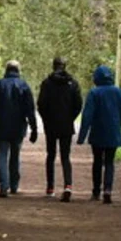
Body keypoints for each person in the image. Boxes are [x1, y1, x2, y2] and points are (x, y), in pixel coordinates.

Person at [0, 59, 37, 197]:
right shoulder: (23, 86)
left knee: (2, 155)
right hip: (18, 127)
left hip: (1, 125)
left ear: (6, 70)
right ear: (18, 70)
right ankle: (14, 185)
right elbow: (30, 109)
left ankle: (3, 186)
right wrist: (33, 128)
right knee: (15, 156)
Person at [76, 63, 121, 204]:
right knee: (110, 162)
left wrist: (82, 136)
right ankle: (108, 189)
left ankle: (96, 191)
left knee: (97, 162)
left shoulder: (94, 93)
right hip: (113, 132)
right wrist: (118, 125)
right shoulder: (118, 92)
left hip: (98, 132)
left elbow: (87, 115)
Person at [37, 57, 82, 201]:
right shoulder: (72, 83)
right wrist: (70, 118)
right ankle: (68, 185)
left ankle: (50, 187)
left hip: (51, 125)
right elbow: (78, 104)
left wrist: (46, 119)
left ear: (53, 66)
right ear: (64, 66)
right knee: (65, 156)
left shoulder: (47, 83)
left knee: (50, 155)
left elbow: (41, 104)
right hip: (66, 125)